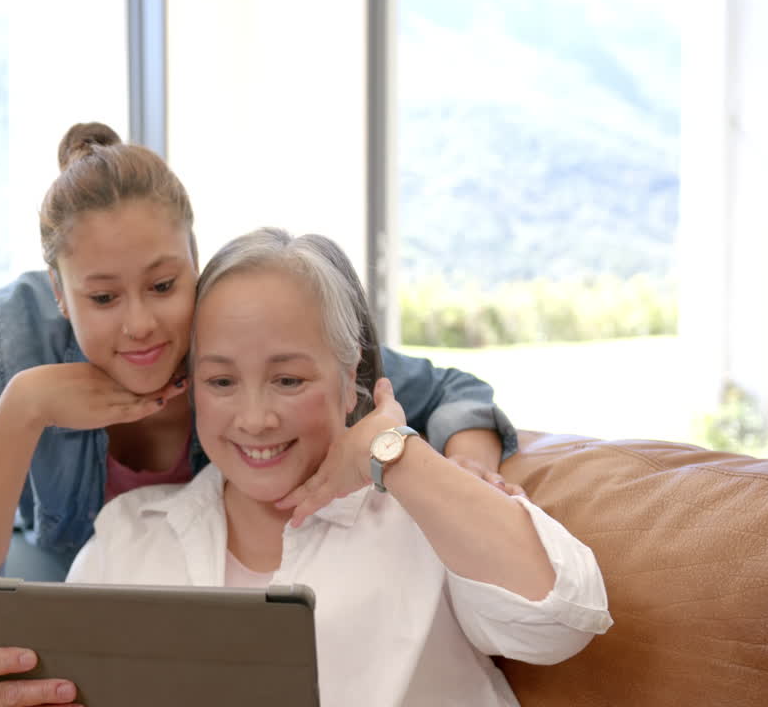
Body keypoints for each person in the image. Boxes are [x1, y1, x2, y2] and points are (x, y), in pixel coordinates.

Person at [0, 122, 520, 610]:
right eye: (102, 298)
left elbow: (450, 390)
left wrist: (467, 472)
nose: (141, 323)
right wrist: (24, 408)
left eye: (164, 284)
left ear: (194, 262)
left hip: (187, 579)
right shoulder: (10, 336)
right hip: (58, 563)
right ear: (60, 291)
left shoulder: (235, 323)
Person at [61, 228, 613, 705]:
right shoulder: (127, 535)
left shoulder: (423, 517)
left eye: (288, 380)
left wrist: (399, 453)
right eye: (222, 381)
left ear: (351, 378)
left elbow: (562, 619)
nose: (255, 419)